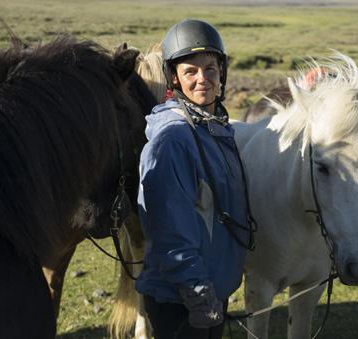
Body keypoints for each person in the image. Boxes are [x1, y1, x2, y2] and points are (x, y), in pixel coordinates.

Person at [135, 18, 256, 339]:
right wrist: (197, 293)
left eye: (210, 69)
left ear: (222, 73)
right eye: (190, 71)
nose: (202, 79)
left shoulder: (214, 128)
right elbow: (169, 227)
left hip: (210, 288)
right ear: (173, 78)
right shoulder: (174, 138)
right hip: (183, 298)